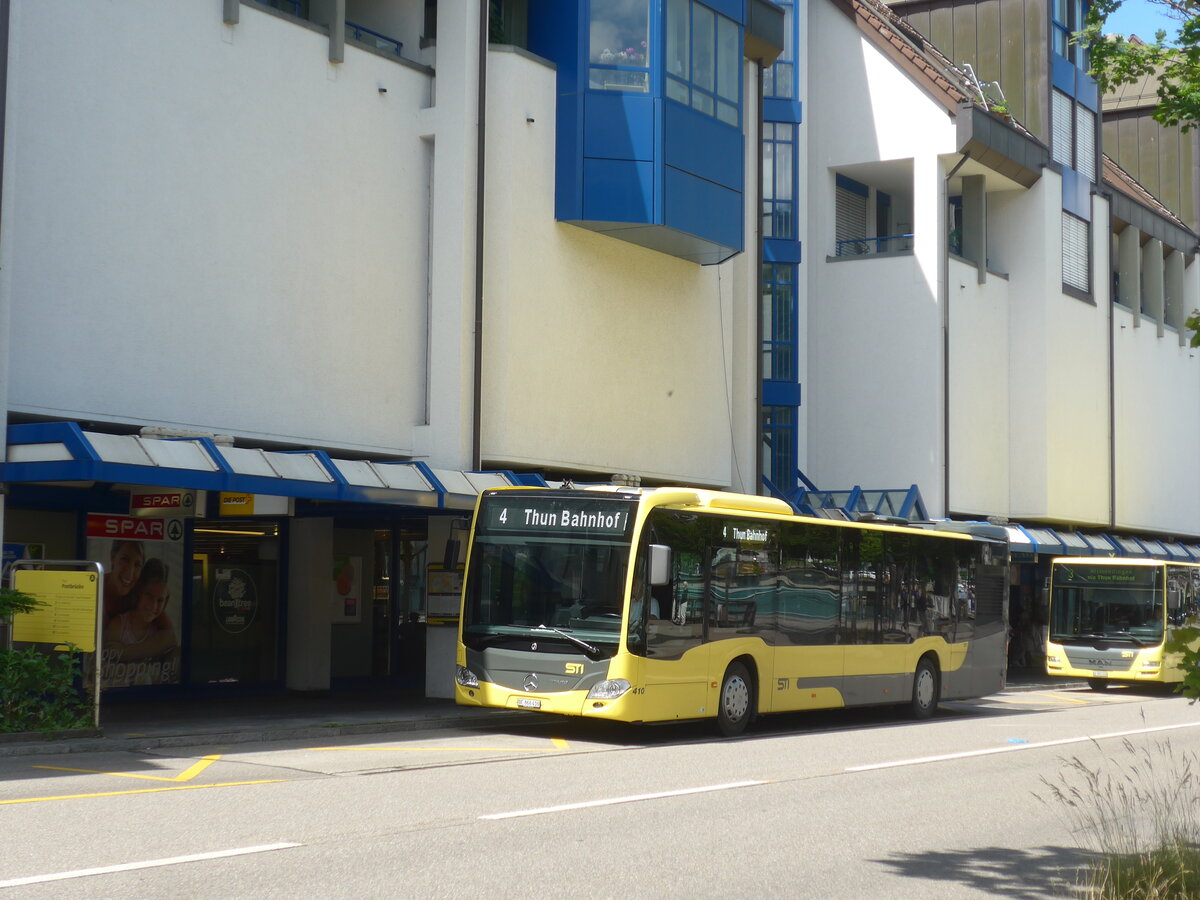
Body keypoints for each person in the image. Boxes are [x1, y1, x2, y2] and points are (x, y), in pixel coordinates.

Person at [102, 559, 180, 685]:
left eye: (160, 600)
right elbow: (108, 662)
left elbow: (172, 643)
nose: (154, 605)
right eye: (149, 596)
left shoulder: (159, 627)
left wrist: (126, 653)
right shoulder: (119, 624)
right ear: (139, 593)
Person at [102, 540, 144, 622]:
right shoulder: (95, 586)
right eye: (125, 560)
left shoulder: (140, 594)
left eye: (137, 565)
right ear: (113, 557)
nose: (130, 573)